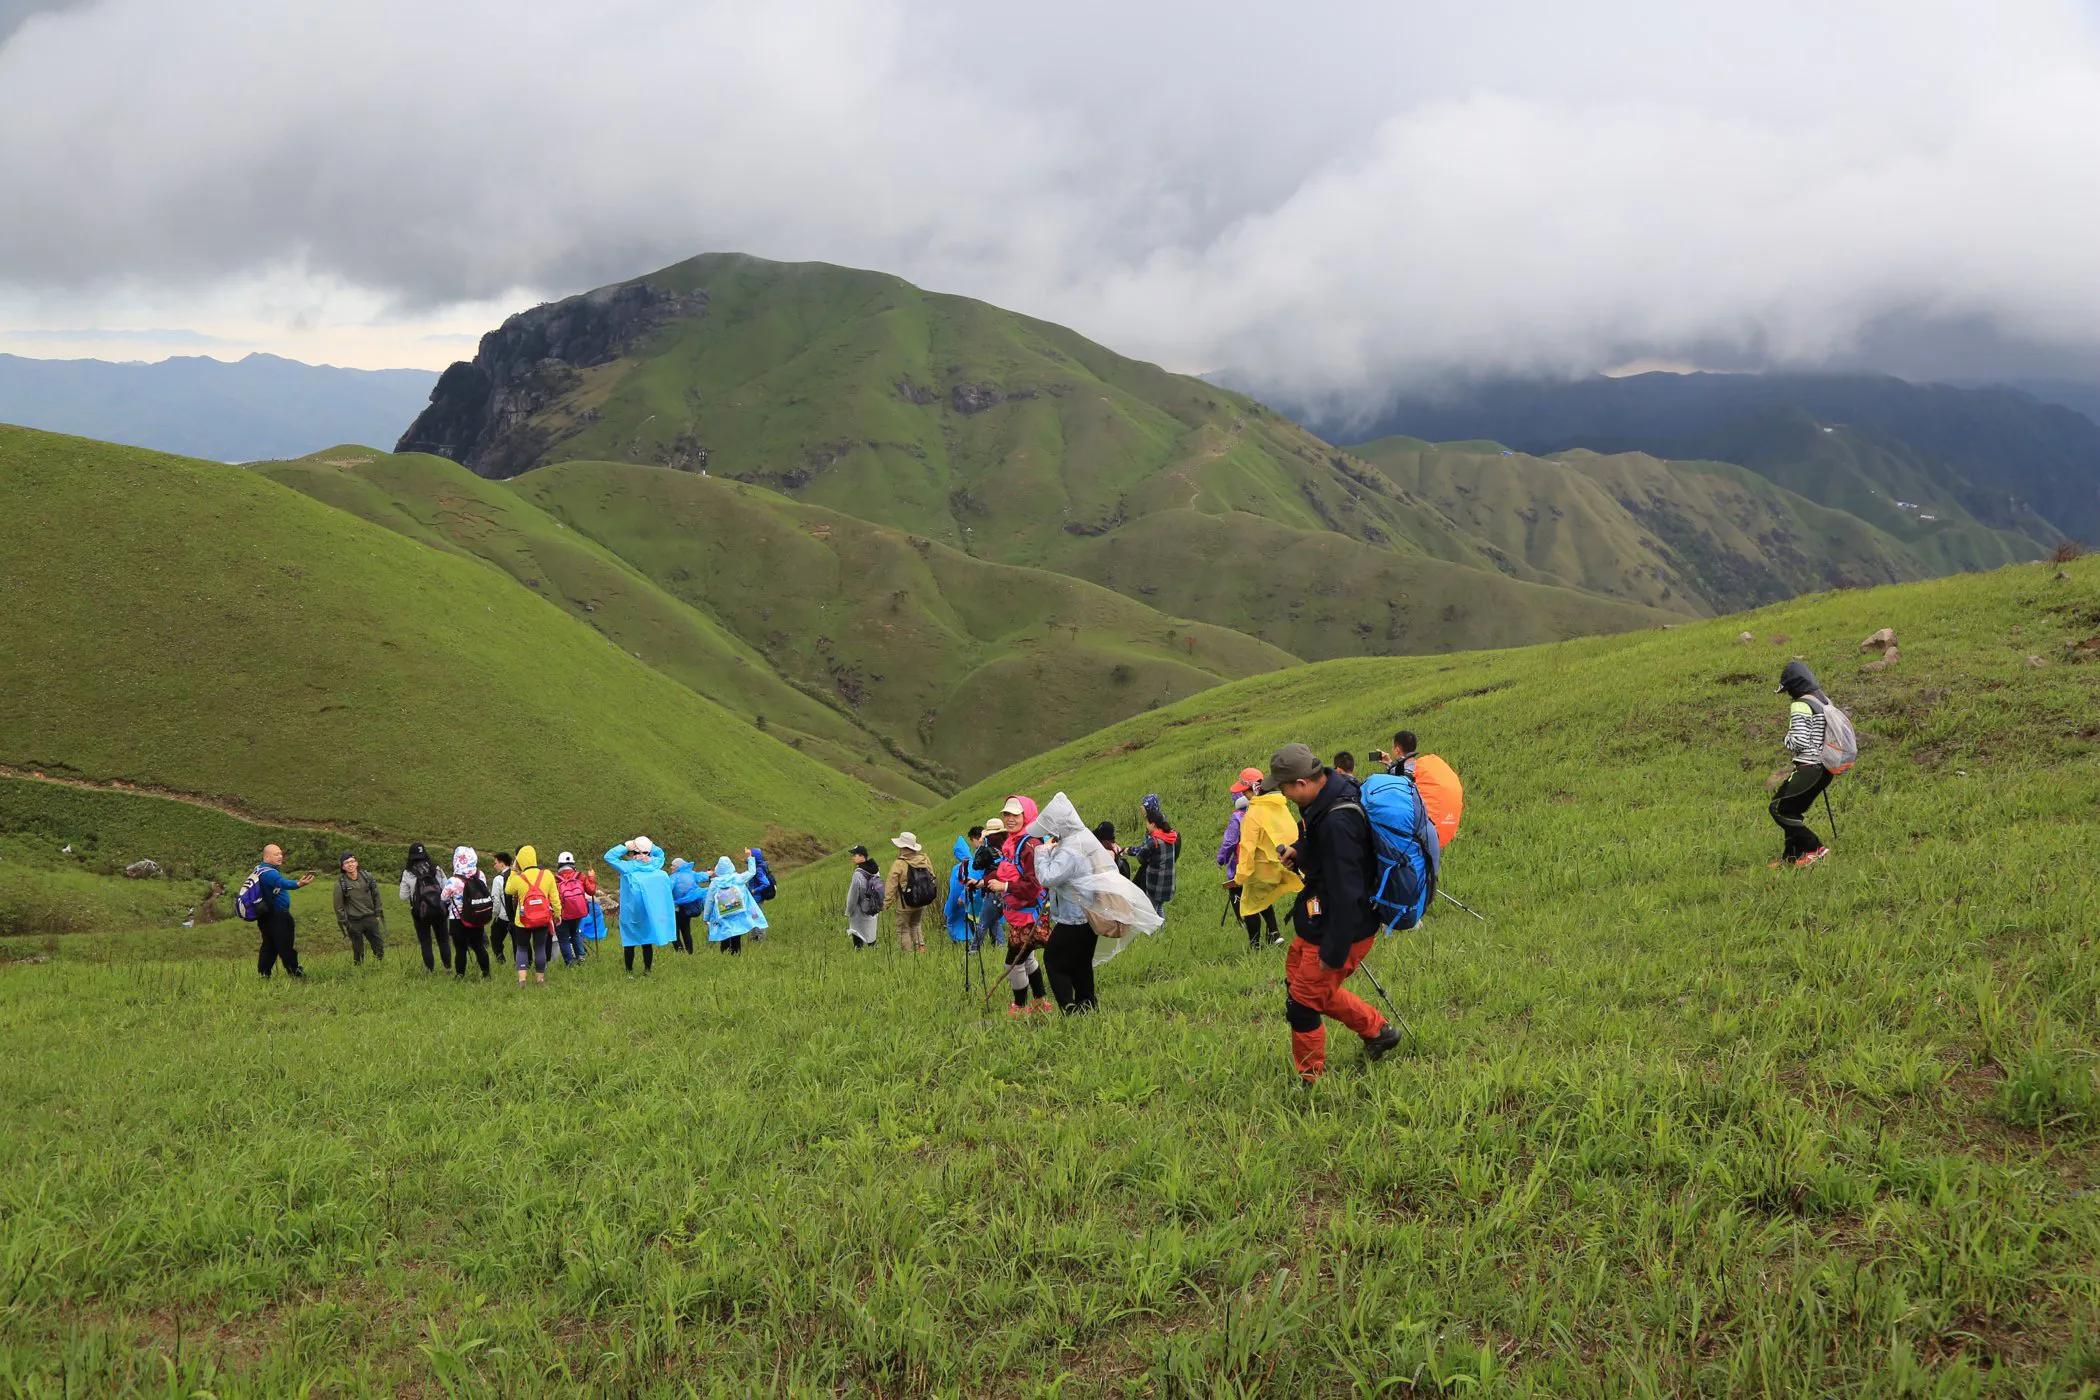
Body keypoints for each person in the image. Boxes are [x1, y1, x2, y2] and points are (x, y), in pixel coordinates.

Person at [1267, 743, 1402, 1083]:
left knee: (1303, 1005)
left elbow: (1348, 893)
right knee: (1301, 983)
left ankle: (1310, 1081)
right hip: (1322, 918)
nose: (1283, 795)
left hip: (1343, 927)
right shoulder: (1330, 792)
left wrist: (1335, 951)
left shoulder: (1337, 823)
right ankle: (1378, 1031)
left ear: (1300, 783)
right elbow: (1321, 843)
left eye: (1283, 788)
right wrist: (1301, 850)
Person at [987, 797, 1051, 1016]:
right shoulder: (1016, 842)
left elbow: (1034, 885)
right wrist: (983, 880)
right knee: (1028, 958)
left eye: (1015, 815)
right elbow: (1009, 869)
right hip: (1021, 915)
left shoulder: (1030, 846)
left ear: (1027, 815)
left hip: (1028, 916)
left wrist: (1004, 885)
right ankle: (1040, 1002)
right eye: (1006, 815)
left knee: (1012, 963)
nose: (1010, 819)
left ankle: (1020, 1007)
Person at [1770, 661, 1835, 869]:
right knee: (1790, 810)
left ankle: (1815, 848)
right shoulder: (1824, 701)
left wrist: (1786, 738)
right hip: (1824, 769)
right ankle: (1790, 859)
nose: (1789, 695)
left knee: (1779, 809)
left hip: (1809, 768)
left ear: (1795, 686)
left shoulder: (1801, 704)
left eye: (1789, 690)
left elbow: (1798, 740)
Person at [1218, 767, 1279, 949]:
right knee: (1264, 897)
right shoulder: (1269, 809)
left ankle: (1255, 945)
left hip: (1244, 865)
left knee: (1248, 904)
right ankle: (1274, 932)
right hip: (1266, 863)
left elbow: (1229, 842)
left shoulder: (1238, 817)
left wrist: (1221, 858)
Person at [603, 838, 675, 974]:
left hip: (631, 912)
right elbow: (660, 854)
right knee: (647, 942)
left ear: (632, 852)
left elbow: (609, 857)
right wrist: (649, 846)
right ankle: (647, 970)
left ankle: (629, 972)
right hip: (649, 911)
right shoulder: (655, 864)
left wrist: (625, 846)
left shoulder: (628, 867)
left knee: (629, 942)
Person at [251, 843, 314, 978]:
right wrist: (299, 884)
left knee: (269, 944)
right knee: (285, 944)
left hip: (265, 915)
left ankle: (264, 973)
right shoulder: (270, 873)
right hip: (278, 916)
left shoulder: (258, 869)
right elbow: (282, 883)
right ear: (266, 857)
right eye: (276, 854)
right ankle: (294, 971)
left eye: (281, 853)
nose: (280, 856)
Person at [505, 844, 562, 984]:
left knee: (522, 948)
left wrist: (513, 869)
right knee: (540, 947)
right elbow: (555, 897)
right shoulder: (547, 875)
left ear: (519, 860)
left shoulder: (519, 878)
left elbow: (508, 890)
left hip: (522, 920)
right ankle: (540, 979)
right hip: (542, 918)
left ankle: (522, 980)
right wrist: (557, 913)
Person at [399, 841, 451, 972]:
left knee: (425, 942)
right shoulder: (436, 869)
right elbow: (446, 888)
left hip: (420, 913)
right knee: (443, 940)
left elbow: (403, 896)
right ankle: (448, 968)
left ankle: (430, 969)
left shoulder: (408, 873)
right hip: (439, 910)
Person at [703, 850, 767, 955]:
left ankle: (724, 957)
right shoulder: (738, 878)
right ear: (731, 866)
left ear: (718, 868)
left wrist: (706, 917)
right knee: (736, 933)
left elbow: (709, 901)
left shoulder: (715, 883)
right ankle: (736, 955)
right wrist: (750, 858)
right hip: (738, 911)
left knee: (724, 934)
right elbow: (752, 872)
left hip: (722, 913)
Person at [884, 831, 936, 953]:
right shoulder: (924, 859)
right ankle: (920, 949)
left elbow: (891, 885)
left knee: (903, 929)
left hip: (905, 902)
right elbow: (932, 876)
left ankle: (908, 956)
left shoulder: (899, 863)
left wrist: (887, 903)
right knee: (916, 924)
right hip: (922, 900)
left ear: (902, 847)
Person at [445, 845, 493, 978]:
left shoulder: (453, 881)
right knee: (478, 946)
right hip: (476, 915)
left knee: (460, 949)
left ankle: (460, 975)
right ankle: (486, 973)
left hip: (457, 919)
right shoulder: (480, 875)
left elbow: (443, 898)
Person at [1128, 794, 1179, 917]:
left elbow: (1142, 856)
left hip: (1156, 883)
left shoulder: (1154, 841)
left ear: (1153, 824)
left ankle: (1153, 934)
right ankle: (1161, 934)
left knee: (1150, 911)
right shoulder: (1169, 836)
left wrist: (1131, 851)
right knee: (1158, 907)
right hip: (1168, 881)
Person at [332, 851, 386, 965]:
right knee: (358, 951)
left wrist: (377, 914)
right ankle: (359, 972)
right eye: (346, 863)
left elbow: (376, 895)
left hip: (370, 918)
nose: (350, 864)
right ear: (343, 867)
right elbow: (338, 906)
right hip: (354, 921)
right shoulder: (340, 884)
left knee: (379, 947)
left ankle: (379, 967)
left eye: (352, 861)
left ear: (357, 863)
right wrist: (345, 923)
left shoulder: (367, 877)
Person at [552, 852, 596, 965]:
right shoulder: (580, 876)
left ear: (559, 864)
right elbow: (591, 891)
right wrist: (591, 877)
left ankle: (570, 962)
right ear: (572, 863)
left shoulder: (554, 879)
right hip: (578, 912)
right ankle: (581, 957)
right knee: (575, 933)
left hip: (562, 913)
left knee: (563, 938)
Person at [970, 819, 1008, 946]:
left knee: (983, 922)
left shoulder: (987, 850)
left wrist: (981, 846)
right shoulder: (1007, 846)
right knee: (994, 919)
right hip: (1007, 887)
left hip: (992, 888)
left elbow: (976, 865)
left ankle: (974, 950)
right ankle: (1001, 945)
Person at [944, 830, 982, 944]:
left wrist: (962, 897)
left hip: (961, 900)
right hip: (969, 899)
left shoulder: (963, 866)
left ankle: (966, 943)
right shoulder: (974, 863)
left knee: (959, 922)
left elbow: (967, 883)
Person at [845, 846, 883, 950]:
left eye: (855, 855)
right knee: (871, 938)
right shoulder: (875, 870)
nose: (853, 857)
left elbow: (853, 896)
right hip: (872, 908)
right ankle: (874, 954)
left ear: (862, 856)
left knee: (858, 941)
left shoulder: (858, 874)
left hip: (859, 912)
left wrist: (849, 911)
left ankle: (858, 958)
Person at [669, 857, 707, 953]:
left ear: (678, 867)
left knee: (674, 932)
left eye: (673, 865)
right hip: (688, 908)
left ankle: (680, 951)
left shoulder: (674, 877)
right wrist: (710, 874)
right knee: (686, 930)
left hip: (676, 909)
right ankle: (690, 952)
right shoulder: (691, 874)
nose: (671, 867)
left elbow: (667, 890)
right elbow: (702, 876)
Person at [486, 851, 515, 967]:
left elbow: (496, 900)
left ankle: (501, 961)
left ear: (502, 864)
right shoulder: (515, 875)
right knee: (517, 941)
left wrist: (495, 914)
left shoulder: (498, 879)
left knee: (495, 939)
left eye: (495, 863)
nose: (494, 866)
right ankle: (521, 963)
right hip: (515, 916)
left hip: (503, 916)